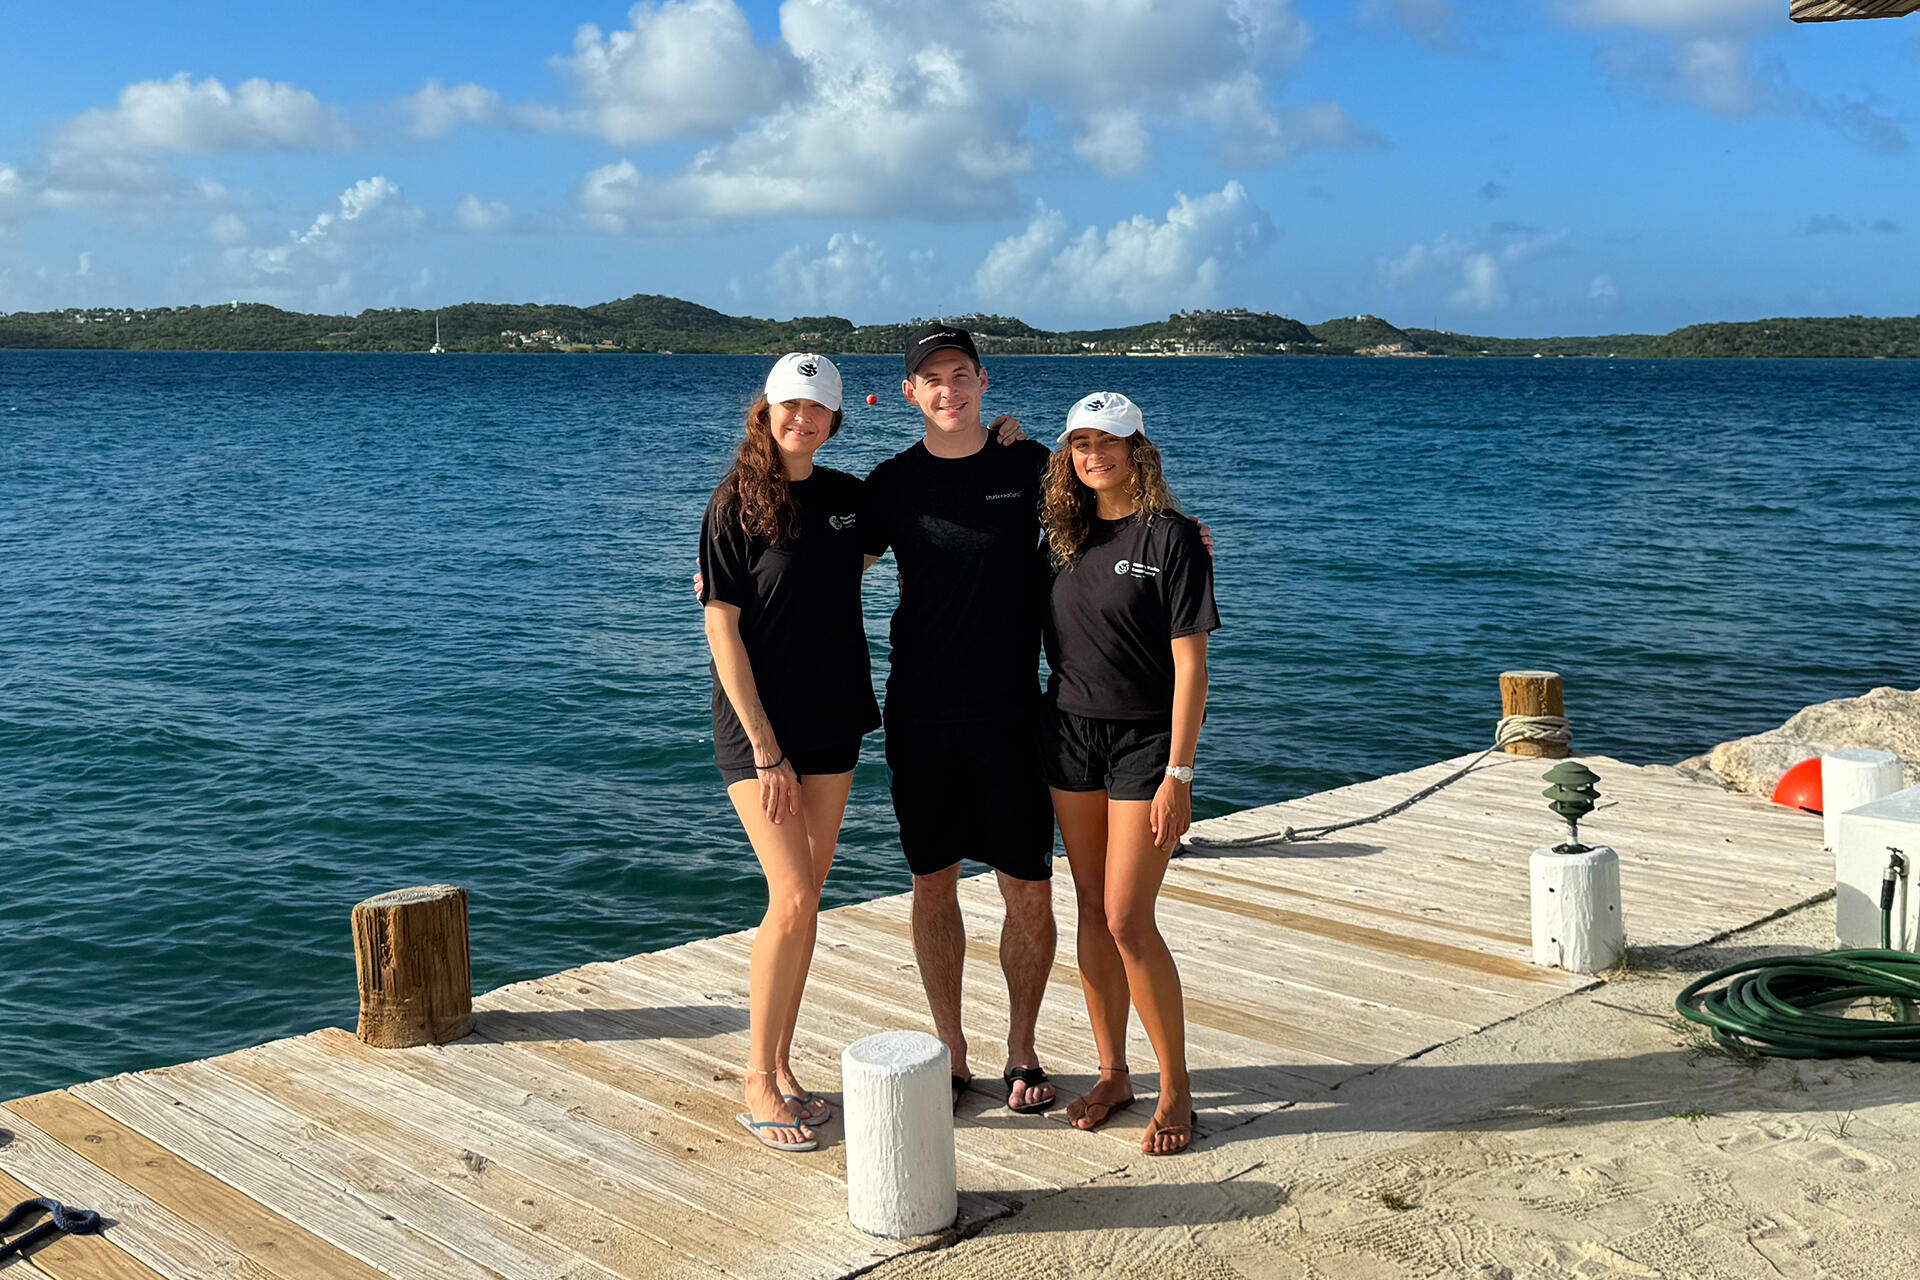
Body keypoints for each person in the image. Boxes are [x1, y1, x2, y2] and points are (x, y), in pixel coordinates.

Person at [859, 323, 1062, 1115]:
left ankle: (1022, 1049)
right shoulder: (891, 484)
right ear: (910, 393)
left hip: (1012, 714)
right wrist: (729, 571)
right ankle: (951, 1048)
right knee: (931, 883)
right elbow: (830, 568)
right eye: (931, 379)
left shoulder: (1031, 464)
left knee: (1030, 891)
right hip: (921, 714)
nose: (948, 391)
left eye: (960, 375)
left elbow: (1113, 514)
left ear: (984, 381)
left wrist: (1182, 538)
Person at [698, 353, 876, 1152]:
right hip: (760, 734)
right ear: (765, 411)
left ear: (834, 420)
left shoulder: (848, 500)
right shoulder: (734, 503)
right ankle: (755, 1076)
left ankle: (781, 1063)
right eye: (788, 405)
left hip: (835, 718)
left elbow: (934, 519)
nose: (800, 419)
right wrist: (767, 750)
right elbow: (722, 626)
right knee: (794, 897)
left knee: (807, 904)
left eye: (815, 409)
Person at [1040, 391, 1219, 1156]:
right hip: (1069, 734)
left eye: (1108, 443)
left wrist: (1180, 770)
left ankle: (1175, 1085)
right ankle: (1113, 1072)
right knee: (1087, 905)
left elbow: (1191, 664)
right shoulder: (1055, 536)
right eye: (1081, 445)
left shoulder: (1174, 536)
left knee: (1125, 916)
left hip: (1147, 744)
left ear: (1137, 449)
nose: (1094, 456)